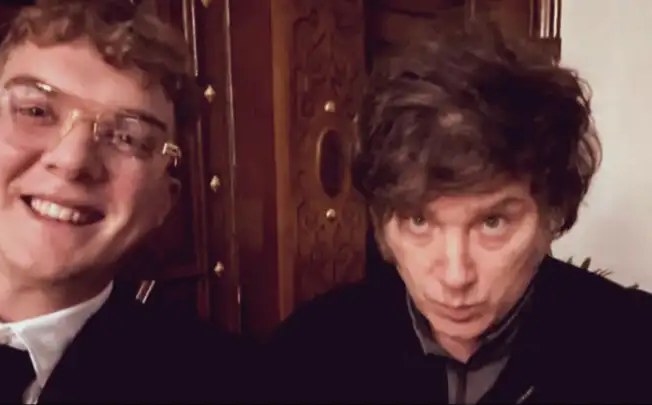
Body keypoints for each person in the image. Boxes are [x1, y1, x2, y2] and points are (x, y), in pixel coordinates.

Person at [269, 27, 652, 403]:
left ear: (551, 215)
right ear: (382, 223)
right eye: (419, 221)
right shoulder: (307, 353)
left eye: (492, 222)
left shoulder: (636, 349)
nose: (455, 277)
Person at [0, 0, 263, 403]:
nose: (72, 161)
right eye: (37, 111)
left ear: (164, 202)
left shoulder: (230, 385)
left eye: (127, 138)